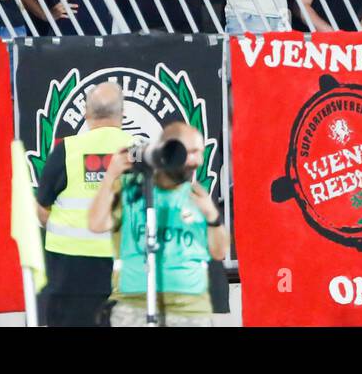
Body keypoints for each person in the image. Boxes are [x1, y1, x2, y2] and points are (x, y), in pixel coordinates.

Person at [87, 122, 227, 327]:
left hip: (190, 310)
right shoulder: (131, 191)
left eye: (201, 152)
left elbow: (220, 252)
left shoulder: (198, 195)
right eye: (192, 152)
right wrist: (110, 176)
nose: (198, 160)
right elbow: (96, 224)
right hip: (135, 306)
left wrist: (213, 217)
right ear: (170, 150)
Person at [34, 80, 131, 327]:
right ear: (121, 114)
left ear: (87, 115)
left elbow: (41, 209)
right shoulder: (139, 150)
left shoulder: (67, 150)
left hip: (71, 272)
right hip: (125, 271)